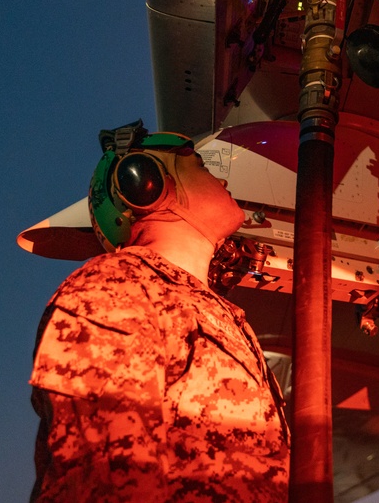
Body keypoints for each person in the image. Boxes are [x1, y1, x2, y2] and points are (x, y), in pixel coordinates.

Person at [29, 121, 290, 502]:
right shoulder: (116, 288)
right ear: (145, 182)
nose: (219, 176)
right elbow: (111, 480)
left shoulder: (224, 317)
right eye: (199, 164)